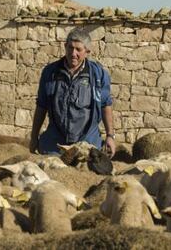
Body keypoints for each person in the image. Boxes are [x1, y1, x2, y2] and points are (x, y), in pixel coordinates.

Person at [29, 28, 116, 158]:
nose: (73, 53)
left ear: (87, 52)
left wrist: (110, 136)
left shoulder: (98, 75)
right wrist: (34, 136)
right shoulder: (50, 73)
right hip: (55, 144)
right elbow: (41, 106)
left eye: (78, 50)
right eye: (70, 48)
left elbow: (105, 105)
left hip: (88, 143)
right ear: (65, 46)